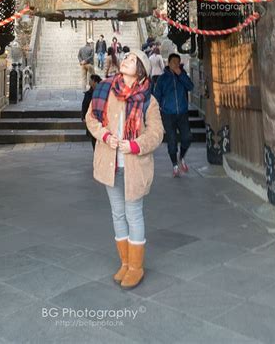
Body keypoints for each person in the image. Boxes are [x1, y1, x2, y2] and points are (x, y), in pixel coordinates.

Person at [85, 50, 164, 289]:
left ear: (141, 72)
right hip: (110, 163)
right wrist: (105, 136)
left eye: (133, 59)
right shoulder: (106, 90)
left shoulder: (148, 100)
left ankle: (136, 267)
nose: (127, 59)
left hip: (134, 166)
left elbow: (157, 133)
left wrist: (134, 145)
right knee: (117, 214)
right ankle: (125, 262)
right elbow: (91, 118)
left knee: (133, 214)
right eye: (126, 57)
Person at [154, 53, 194, 177]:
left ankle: (181, 156)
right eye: (173, 62)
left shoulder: (182, 76)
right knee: (172, 141)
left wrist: (180, 75)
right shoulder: (162, 79)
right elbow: (156, 97)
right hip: (168, 114)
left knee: (187, 137)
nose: (176, 64)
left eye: (178, 62)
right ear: (168, 63)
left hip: (182, 112)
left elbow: (191, 87)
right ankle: (175, 165)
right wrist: (159, 110)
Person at [81, 74, 102, 150]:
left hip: (101, 119)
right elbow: (84, 106)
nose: (89, 81)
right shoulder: (88, 94)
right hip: (92, 119)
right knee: (93, 139)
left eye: (90, 80)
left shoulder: (103, 91)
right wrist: (83, 116)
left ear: (94, 81)